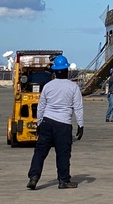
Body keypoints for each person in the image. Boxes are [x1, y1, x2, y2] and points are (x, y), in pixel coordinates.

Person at [27, 54, 84, 190]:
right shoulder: (73, 87)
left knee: (40, 152)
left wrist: (39, 123)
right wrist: (80, 125)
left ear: (54, 71)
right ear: (67, 70)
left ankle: (34, 177)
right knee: (63, 153)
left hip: (47, 122)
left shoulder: (48, 86)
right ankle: (63, 180)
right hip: (63, 124)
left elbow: (41, 106)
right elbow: (78, 107)